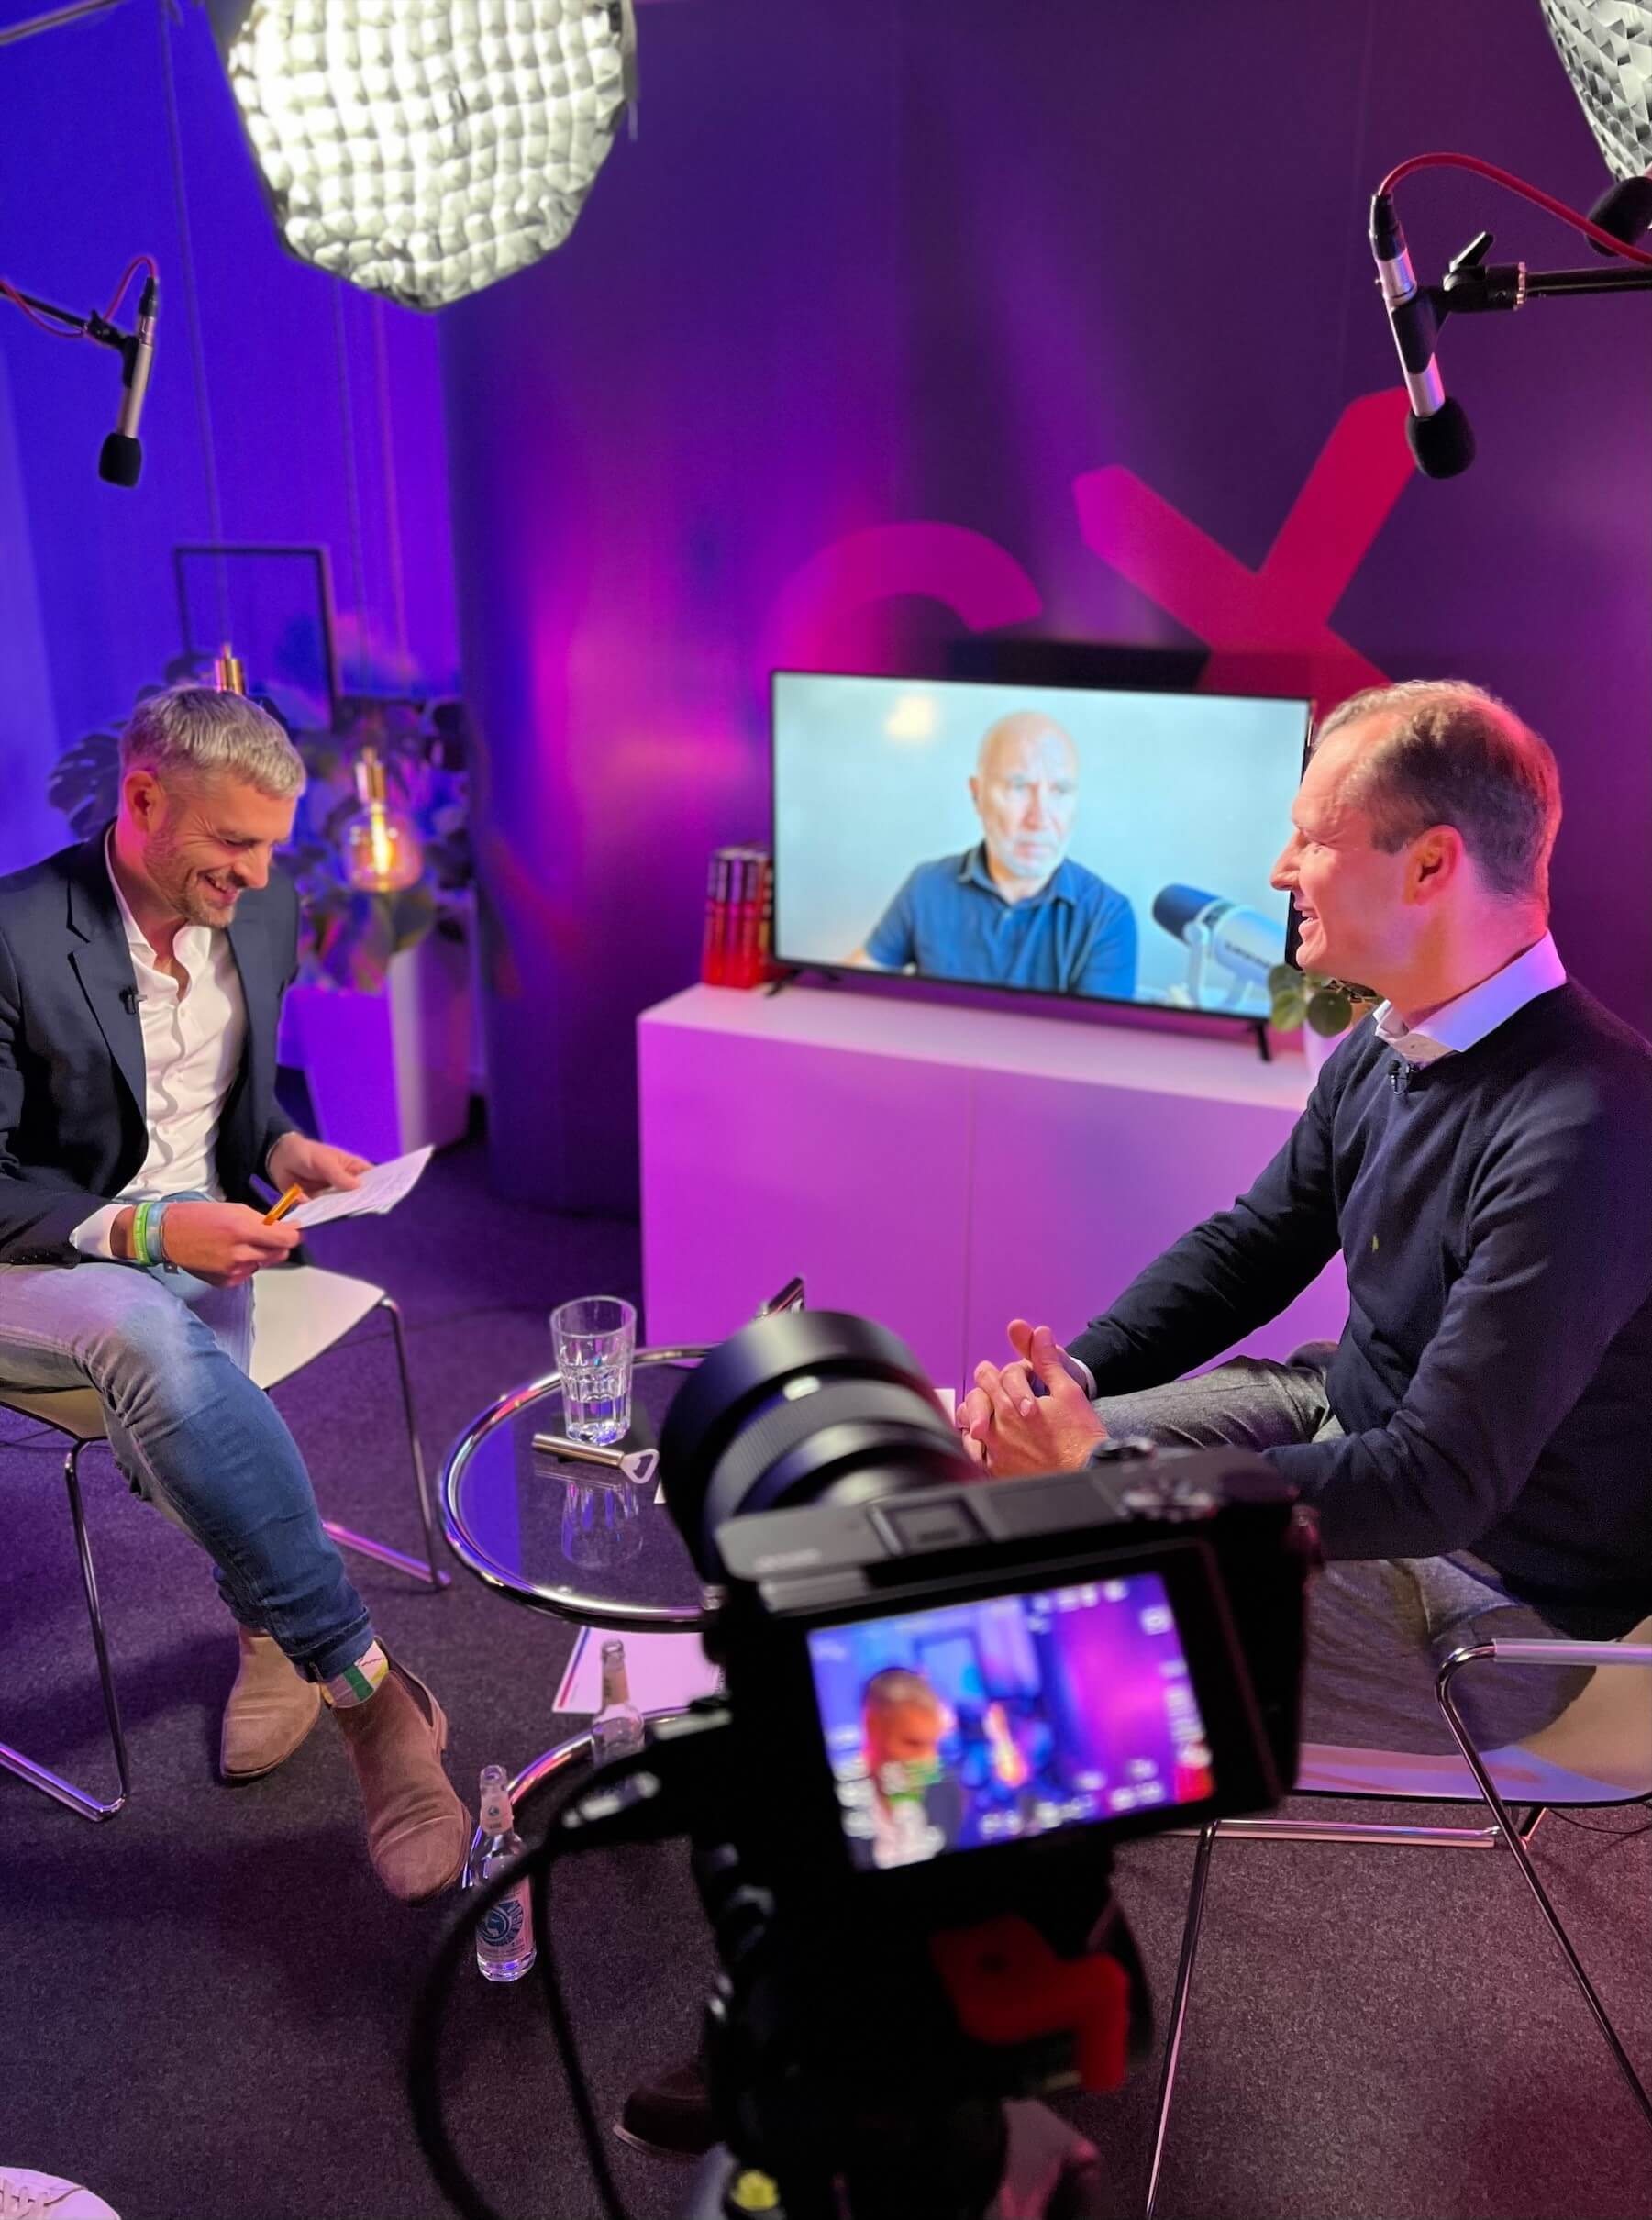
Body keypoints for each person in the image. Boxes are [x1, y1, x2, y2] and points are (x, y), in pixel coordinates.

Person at [957, 680, 1652, 1754]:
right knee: (992, 1483)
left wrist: (1105, 1481)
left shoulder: (1587, 1129)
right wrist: (1074, 1382)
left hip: (1483, 1599)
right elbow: (1253, 1245)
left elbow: (1437, 1483)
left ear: (1430, 865)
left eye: (1314, 838)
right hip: (1339, 1432)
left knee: (1034, 1612)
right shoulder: (1390, 1040)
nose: (1281, 868)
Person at [0, 687, 469, 1902]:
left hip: (197, 1240)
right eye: (233, 843)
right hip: (32, 1253)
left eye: (270, 845)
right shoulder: (12, 935)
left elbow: (233, 1105)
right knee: (154, 1341)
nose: (260, 875)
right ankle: (368, 1696)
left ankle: (268, 1629)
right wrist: (152, 1226)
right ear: (142, 798)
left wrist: (284, 1150)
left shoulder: (258, 910)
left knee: (183, 1402)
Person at [849, 711, 1137, 998]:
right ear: (977, 795)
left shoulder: (1107, 916)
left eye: (1060, 791)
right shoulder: (927, 884)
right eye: (1019, 787)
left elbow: (1093, 1029)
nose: (1039, 819)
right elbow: (851, 988)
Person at [850, 1667, 966, 1869]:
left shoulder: (945, 1793)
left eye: (934, 1745)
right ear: (872, 1727)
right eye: (913, 1744)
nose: (929, 1763)